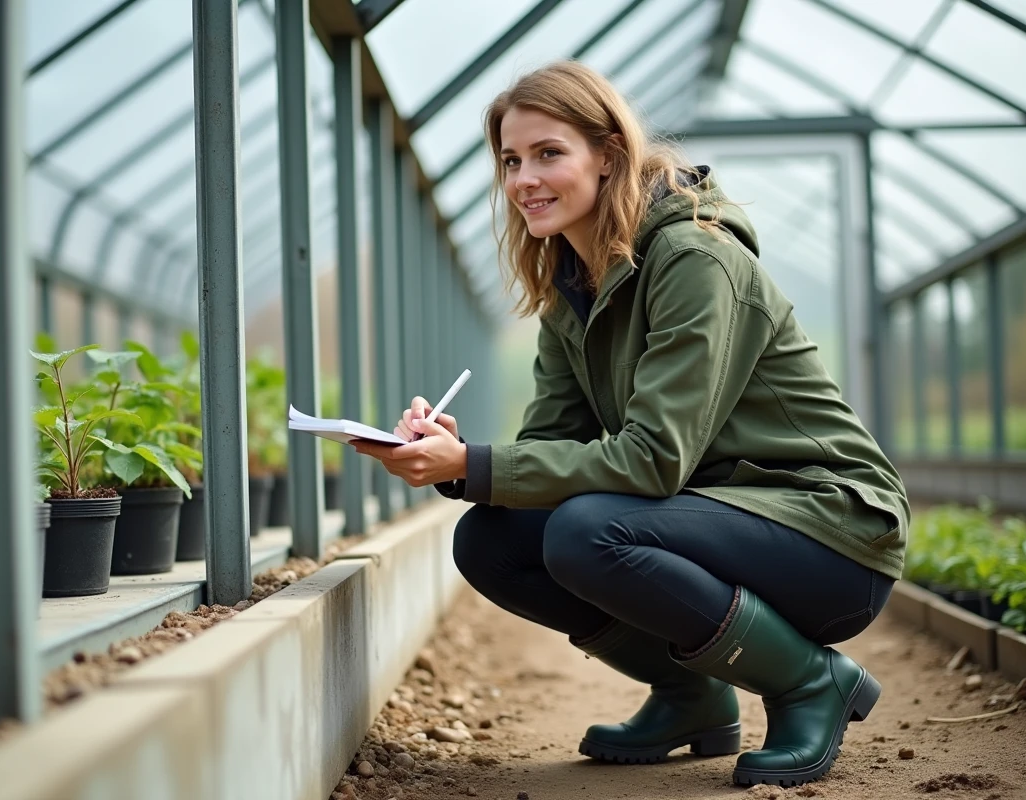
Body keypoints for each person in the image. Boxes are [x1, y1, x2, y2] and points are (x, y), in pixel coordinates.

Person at [351, 60, 909, 789]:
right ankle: (691, 696)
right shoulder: (569, 289)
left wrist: (475, 464)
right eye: (511, 160)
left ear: (609, 155)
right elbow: (553, 449)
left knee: (587, 532)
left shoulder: (695, 257)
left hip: (830, 529)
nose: (524, 179)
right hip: (720, 516)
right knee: (490, 540)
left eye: (549, 153)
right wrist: (451, 458)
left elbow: (652, 461)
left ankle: (810, 682)